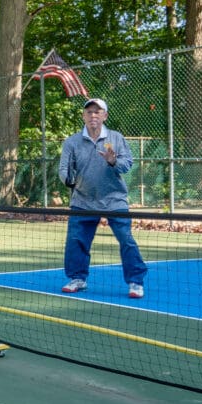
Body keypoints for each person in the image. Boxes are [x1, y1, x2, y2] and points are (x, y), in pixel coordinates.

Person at [58, 98, 147, 298]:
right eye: (89, 112)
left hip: (114, 200)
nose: (93, 116)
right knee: (76, 241)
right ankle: (77, 279)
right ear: (83, 116)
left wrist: (113, 161)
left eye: (97, 112)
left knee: (126, 239)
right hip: (82, 201)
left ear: (105, 116)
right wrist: (68, 180)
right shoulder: (72, 142)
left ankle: (135, 282)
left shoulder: (116, 138)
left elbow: (127, 164)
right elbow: (63, 169)